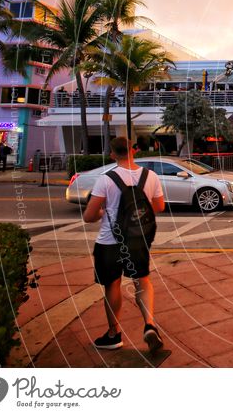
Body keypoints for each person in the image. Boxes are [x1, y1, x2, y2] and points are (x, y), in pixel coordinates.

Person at [82, 137, 166, 352]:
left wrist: (103, 212)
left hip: (109, 242)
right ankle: (149, 324)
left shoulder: (105, 179)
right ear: (133, 151)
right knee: (142, 281)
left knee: (113, 285)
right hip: (137, 241)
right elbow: (159, 206)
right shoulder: (151, 176)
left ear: (112, 154)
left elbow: (89, 216)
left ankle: (114, 334)